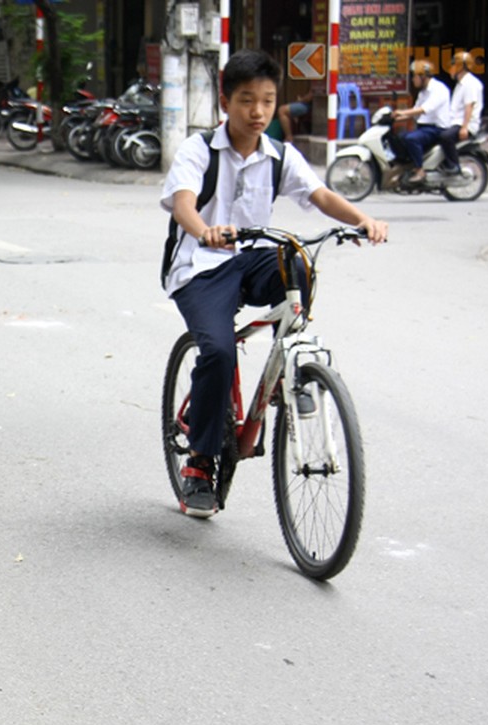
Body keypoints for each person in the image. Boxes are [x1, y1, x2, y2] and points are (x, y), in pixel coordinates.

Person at [160, 49, 387, 518]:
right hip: (201, 265)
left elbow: (320, 195)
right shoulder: (198, 150)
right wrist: (204, 230)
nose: (259, 112)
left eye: (267, 100)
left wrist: (361, 219)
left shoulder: (279, 155)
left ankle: (293, 360)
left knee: (298, 261)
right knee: (219, 352)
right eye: (247, 100)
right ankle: (200, 463)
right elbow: (182, 201)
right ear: (225, 102)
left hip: (250, 261)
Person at [393, 59, 451, 182]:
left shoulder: (439, 89)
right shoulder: (423, 93)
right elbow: (414, 111)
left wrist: (402, 112)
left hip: (436, 129)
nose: (413, 79)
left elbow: (424, 109)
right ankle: (408, 168)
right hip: (424, 128)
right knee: (399, 137)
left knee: (412, 139)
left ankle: (420, 171)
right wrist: (395, 118)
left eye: (415, 76)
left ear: (423, 77)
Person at [439, 50, 484, 175]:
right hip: (455, 122)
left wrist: (464, 127)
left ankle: (454, 165)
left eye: (454, 65)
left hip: (465, 124)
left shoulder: (470, 83)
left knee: (446, 137)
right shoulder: (461, 84)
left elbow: (469, 106)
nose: (451, 68)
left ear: (461, 67)